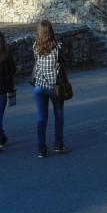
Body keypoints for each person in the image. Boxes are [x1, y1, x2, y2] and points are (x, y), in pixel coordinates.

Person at [32, 20, 67, 158]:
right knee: (58, 115)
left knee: (41, 118)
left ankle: (41, 148)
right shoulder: (57, 48)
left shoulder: (35, 46)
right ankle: (59, 144)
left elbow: (36, 61)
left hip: (40, 86)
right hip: (55, 87)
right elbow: (63, 63)